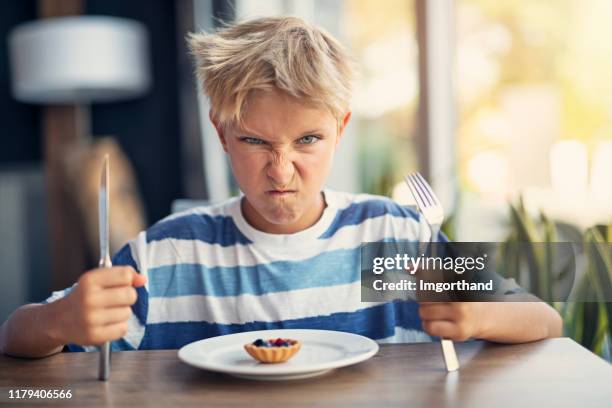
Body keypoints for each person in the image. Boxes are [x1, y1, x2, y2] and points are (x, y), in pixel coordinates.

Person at [0, 16, 562, 358]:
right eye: (255, 143)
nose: (282, 169)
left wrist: (479, 315)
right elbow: (16, 337)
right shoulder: (170, 254)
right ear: (221, 135)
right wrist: (58, 319)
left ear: (341, 129)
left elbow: (545, 317)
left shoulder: (392, 237)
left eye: (308, 140)